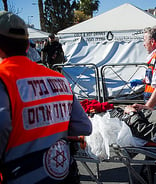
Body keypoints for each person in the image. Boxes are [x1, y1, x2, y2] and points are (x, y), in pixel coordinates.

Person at [0, 11, 92, 183]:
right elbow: (84, 126)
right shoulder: (59, 78)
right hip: (63, 175)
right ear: (27, 45)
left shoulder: (4, 78)